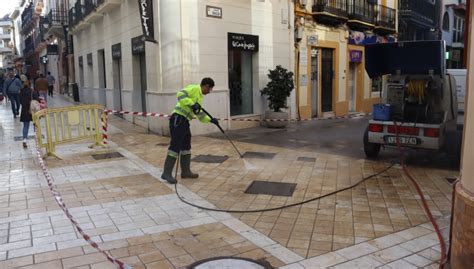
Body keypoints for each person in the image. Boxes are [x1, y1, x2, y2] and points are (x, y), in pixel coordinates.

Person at [161, 77, 219, 184]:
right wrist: (192, 103)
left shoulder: (200, 98)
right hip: (178, 119)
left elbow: (200, 114)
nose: (209, 92)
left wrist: (211, 120)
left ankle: (186, 171)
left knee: (186, 146)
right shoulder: (193, 88)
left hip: (185, 121)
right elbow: (180, 95)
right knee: (175, 146)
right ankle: (166, 172)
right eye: (210, 89)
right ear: (206, 86)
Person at [19, 80, 39, 148]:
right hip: (32, 110)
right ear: (30, 85)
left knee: (25, 126)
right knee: (35, 125)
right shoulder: (32, 91)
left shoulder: (21, 91)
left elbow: (20, 101)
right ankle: (37, 139)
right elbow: (37, 100)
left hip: (24, 110)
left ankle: (24, 140)